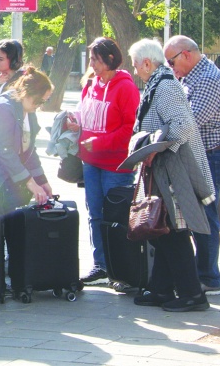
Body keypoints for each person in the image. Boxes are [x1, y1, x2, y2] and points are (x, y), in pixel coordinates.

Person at [128, 38, 215, 312]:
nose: (133, 71)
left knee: (173, 232)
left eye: (134, 66)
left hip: (173, 172)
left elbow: (183, 125)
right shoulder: (159, 83)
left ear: (145, 63)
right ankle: (162, 289)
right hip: (165, 172)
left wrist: (154, 150)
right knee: (163, 230)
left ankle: (192, 295)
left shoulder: (164, 86)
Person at [66, 37, 140, 285]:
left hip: (116, 165)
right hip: (91, 162)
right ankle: (101, 265)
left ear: (110, 59)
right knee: (94, 214)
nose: (92, 64)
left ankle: (122, 269)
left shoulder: (126, 87)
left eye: (96, 60)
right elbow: (85, 113)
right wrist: (76, 123)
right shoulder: (91, 84)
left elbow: (129, 129)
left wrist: (100, 142)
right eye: (91, 59)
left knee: (117, 217)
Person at [163, 35, 220, 296]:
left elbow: (189, 122)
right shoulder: (191, 77)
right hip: (200, 156)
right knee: (199, 218)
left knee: (205, 219)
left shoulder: (208, 80)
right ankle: (202, 273)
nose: (170, 67)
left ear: (186, 55)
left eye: (171, 61)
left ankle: (209, 278)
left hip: (210, 158)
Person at [0, 66, 54, 214]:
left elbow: (29, 150)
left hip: (5, 177)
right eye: (40, 101)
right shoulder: (3, 107)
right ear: (27, 92)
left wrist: (42, 181)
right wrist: (31, 183)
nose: (40, 106)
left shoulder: (28, 110)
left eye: (44, 102)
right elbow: (5, 151)